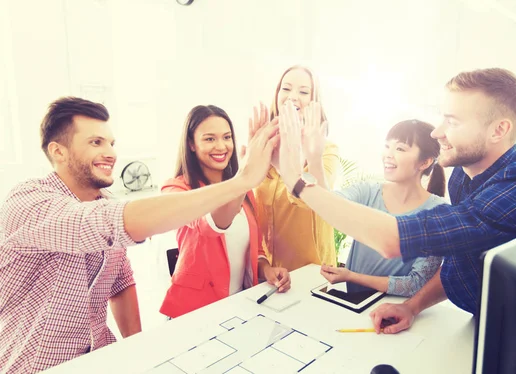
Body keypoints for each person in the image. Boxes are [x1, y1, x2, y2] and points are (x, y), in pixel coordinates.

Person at [275, 68, 516, 334]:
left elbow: (393, 239)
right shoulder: (463, 176)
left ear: (499, 130)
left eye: (452, 122)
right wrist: (413, 307)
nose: (437, 132)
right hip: (488, 320)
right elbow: (461, 262)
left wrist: (295, 179)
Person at [0, 97, 279, 373]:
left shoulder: (105, 201)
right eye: (95, 142)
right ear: (58, 152)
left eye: (111, 143)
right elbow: (105, 224)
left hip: (99, 355)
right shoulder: (28, 200)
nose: (110, 152)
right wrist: (242, 179)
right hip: (34, 364)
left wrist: (138, 351)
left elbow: (121, 280)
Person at [159, 105, 290, 319]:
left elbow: (253, 248)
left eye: (227, 137)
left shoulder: (244, 190)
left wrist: (266, 268)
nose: (221, 146)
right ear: (191, 144)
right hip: (194, 312)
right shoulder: (176, 189)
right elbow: (213, 226)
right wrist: (244, 176)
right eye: (209, 139)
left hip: (239, 305)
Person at [320, 120, 445, 297]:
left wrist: (353, 277)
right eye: (387, 146)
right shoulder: (367, 191)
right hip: (355, 303)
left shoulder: (438, 212)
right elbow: (328, 203)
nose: (388, 154)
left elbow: (415, 283)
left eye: (400, 149)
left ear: (425, 162)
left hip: (399, 312)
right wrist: (314, 156)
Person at [254, 65, 340, 271]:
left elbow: (316, 202)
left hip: (311, 273)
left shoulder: (326, 150)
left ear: (314, 101)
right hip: (268, 273)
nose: (293, 96)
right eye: (286, 88)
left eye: (303, 92)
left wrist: (286, 166)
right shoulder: (264, 144)